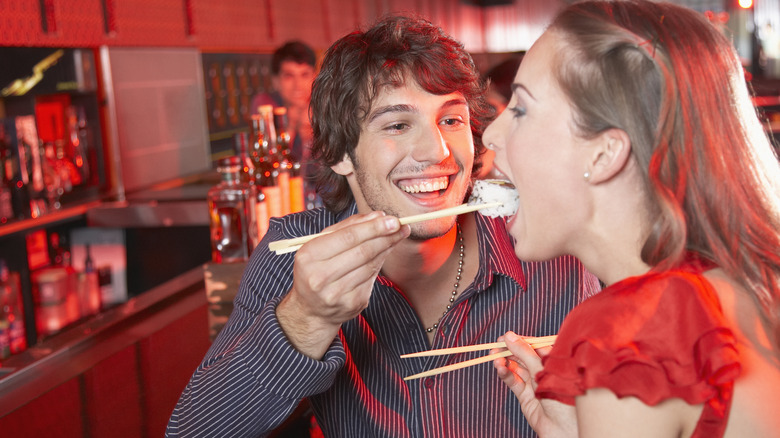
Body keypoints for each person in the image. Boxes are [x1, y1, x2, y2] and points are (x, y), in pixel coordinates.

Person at [167, 16, 601, 437]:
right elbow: (191, 430)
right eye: (397, 124)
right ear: (340, 153)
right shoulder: (298, 257)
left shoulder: (553, 250)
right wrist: (306, 317)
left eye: (451, 120)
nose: (435, 151)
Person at [483, 1, 780, 437]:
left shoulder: (628, 331)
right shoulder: (746, 283)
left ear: (604, 154)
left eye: (521, 109)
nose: (490, 134)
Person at [251, 40, 317, 168]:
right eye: (289, 76)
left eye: (304, 75)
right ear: (275, 81)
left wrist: (311, 133)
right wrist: (289, 127)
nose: (298, 85)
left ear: (314, 77)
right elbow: (266, 167)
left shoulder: (325, 105)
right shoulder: (265, 106)